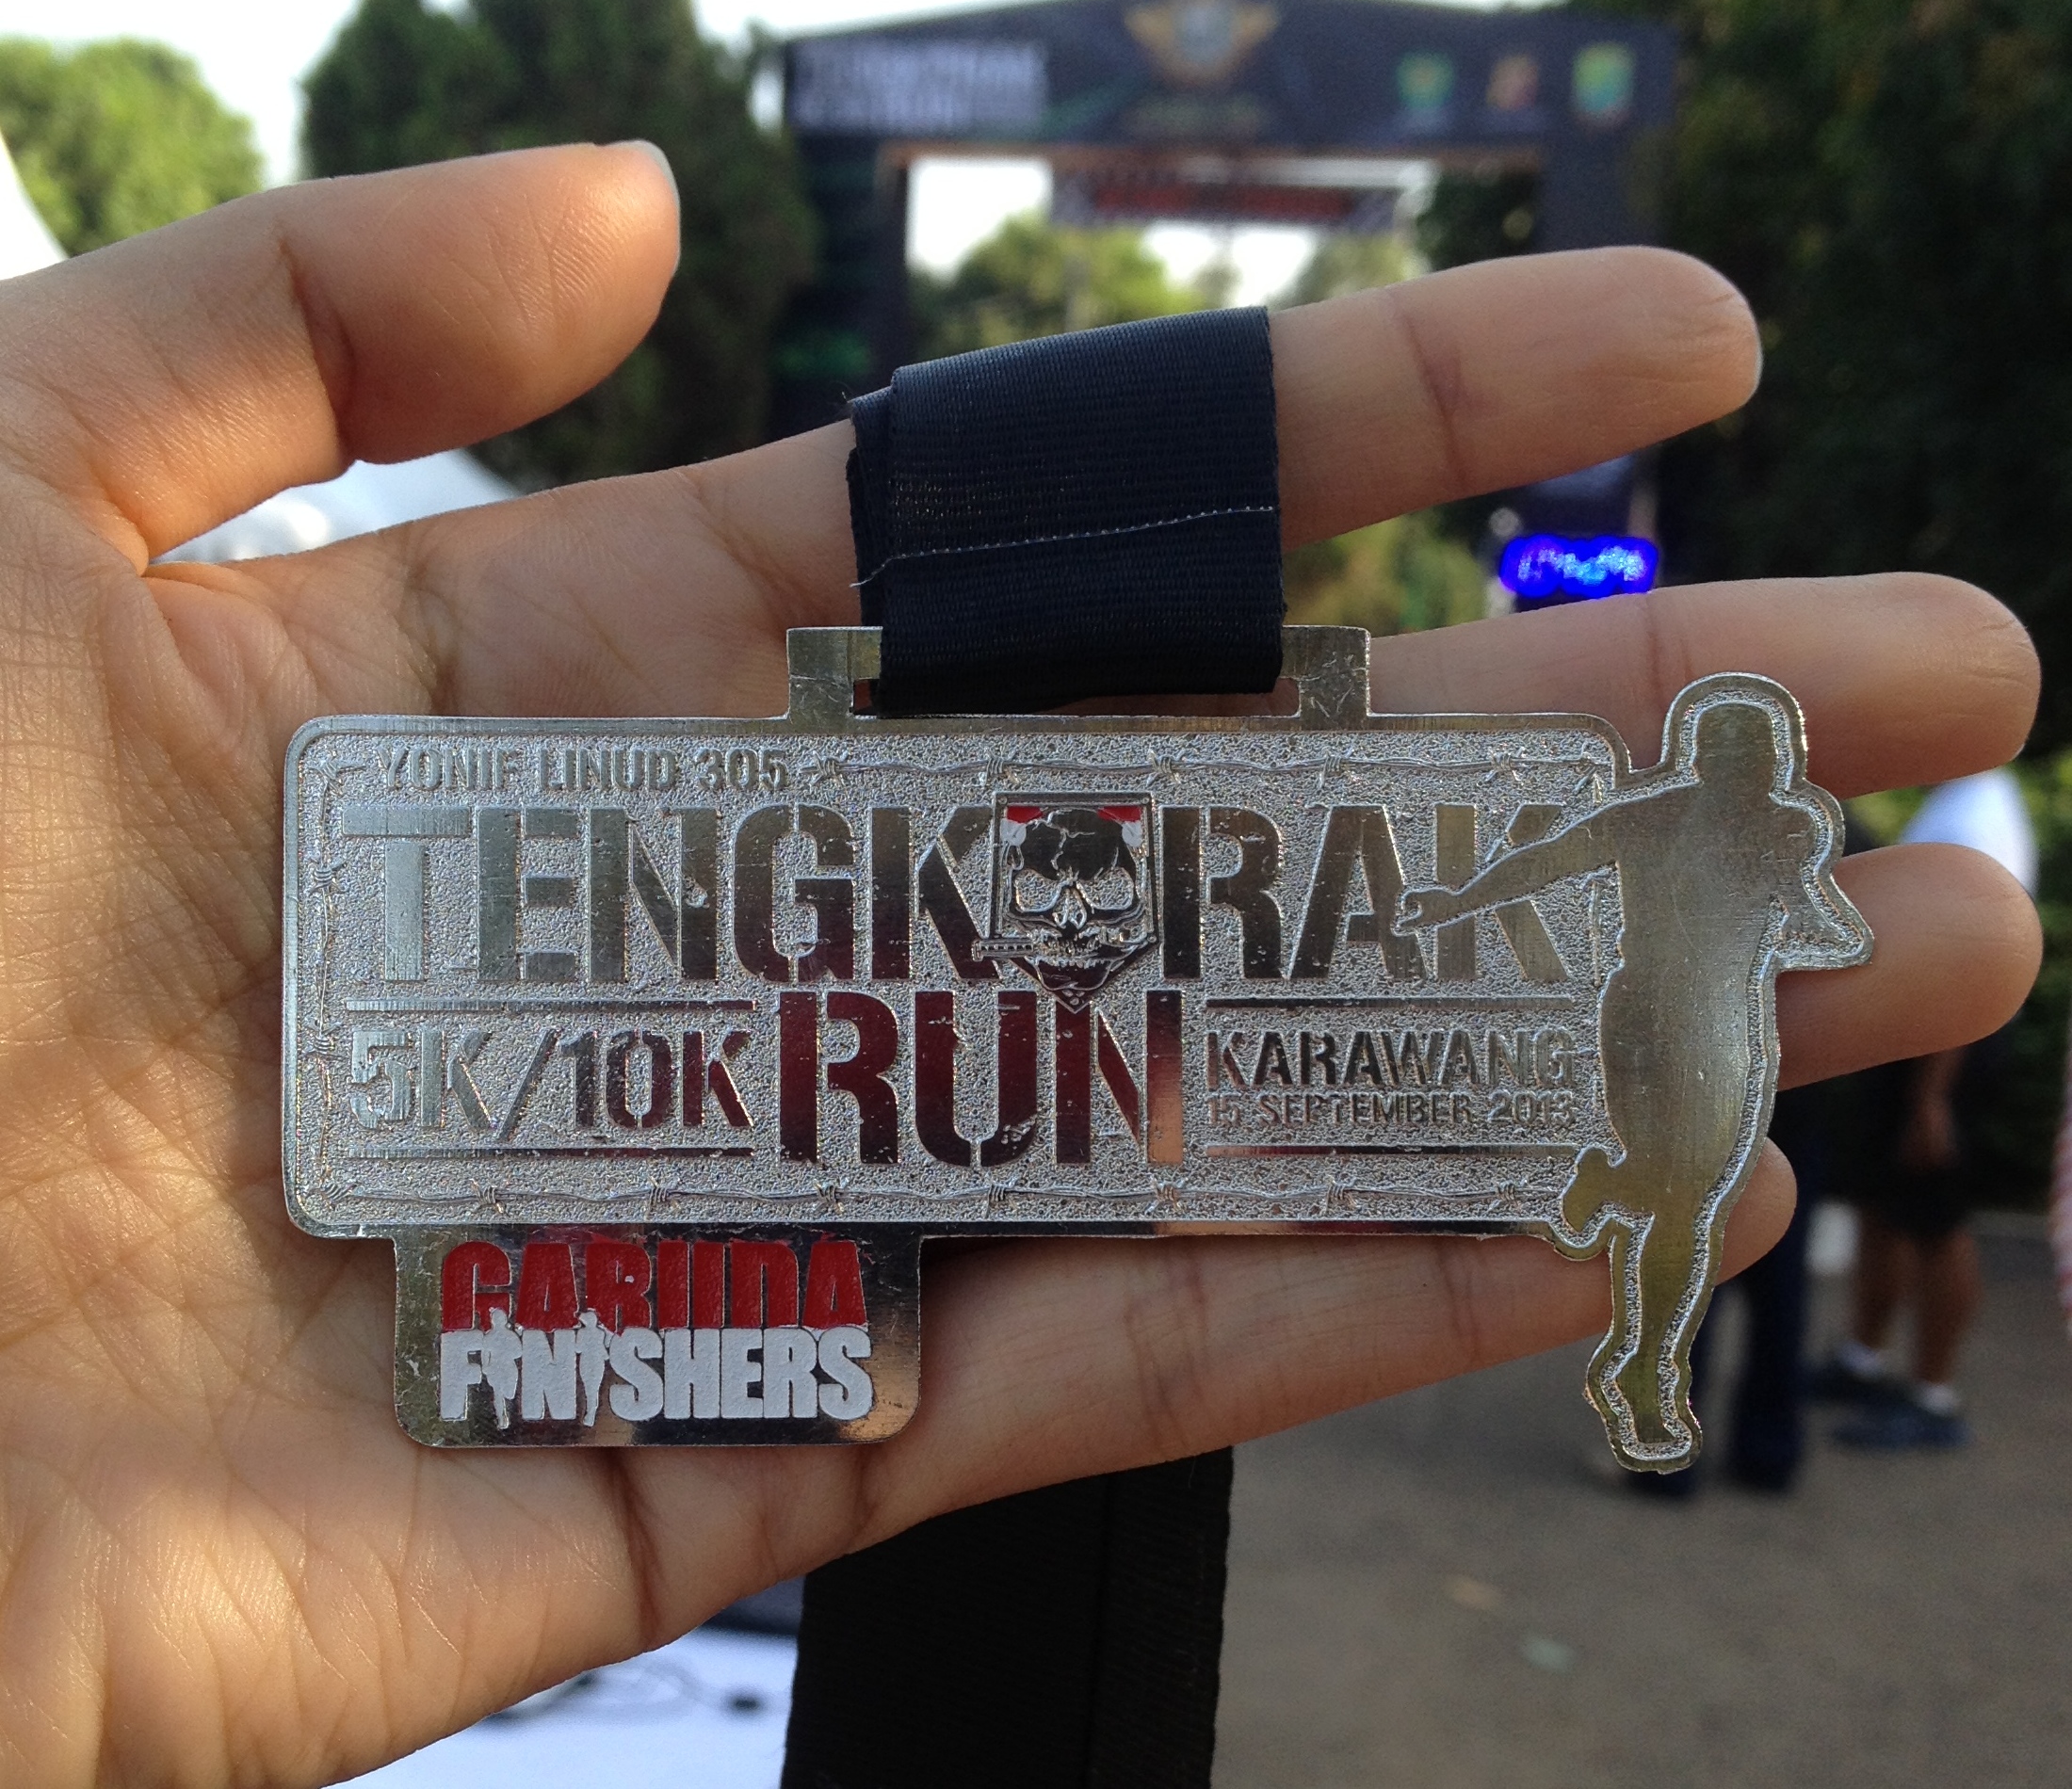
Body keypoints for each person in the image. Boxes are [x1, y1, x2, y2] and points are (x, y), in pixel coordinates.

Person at [0, 144, 2040, 1784]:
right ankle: (1589, 1211)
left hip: (1607, 1044)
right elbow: (1572, 860)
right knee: (1614, 1192)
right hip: (1545, 1037)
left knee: (1629, 1192)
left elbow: (1692, 894)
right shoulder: (1661, 826)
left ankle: (1590, 1217)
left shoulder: (1723, 835)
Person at [1403, 696, 1868, 1466]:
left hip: (1716, 1019)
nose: (1751, 767)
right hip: (1652, 1014)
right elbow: (1547, 861)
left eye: (1759, 753)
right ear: (1705, 757)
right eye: (1737, 753)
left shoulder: (1783, 825)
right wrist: (1459, 902)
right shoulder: (1660, 816)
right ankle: (1649, 1373)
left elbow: (1801, 909)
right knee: (1685, 1199)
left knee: (1692, 1196)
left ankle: (1609, 1195)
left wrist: (1830, 932)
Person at [1819, 768, 2038, 1447]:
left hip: (1946, 1051)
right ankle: (1864, 1358)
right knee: (1884, 1205)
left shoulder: (1981, 812)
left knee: (1937, 1221)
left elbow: (1973, 959)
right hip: (1918, 1044)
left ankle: (1934, 1397)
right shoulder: (1961, 800)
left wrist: (1932, 1099)